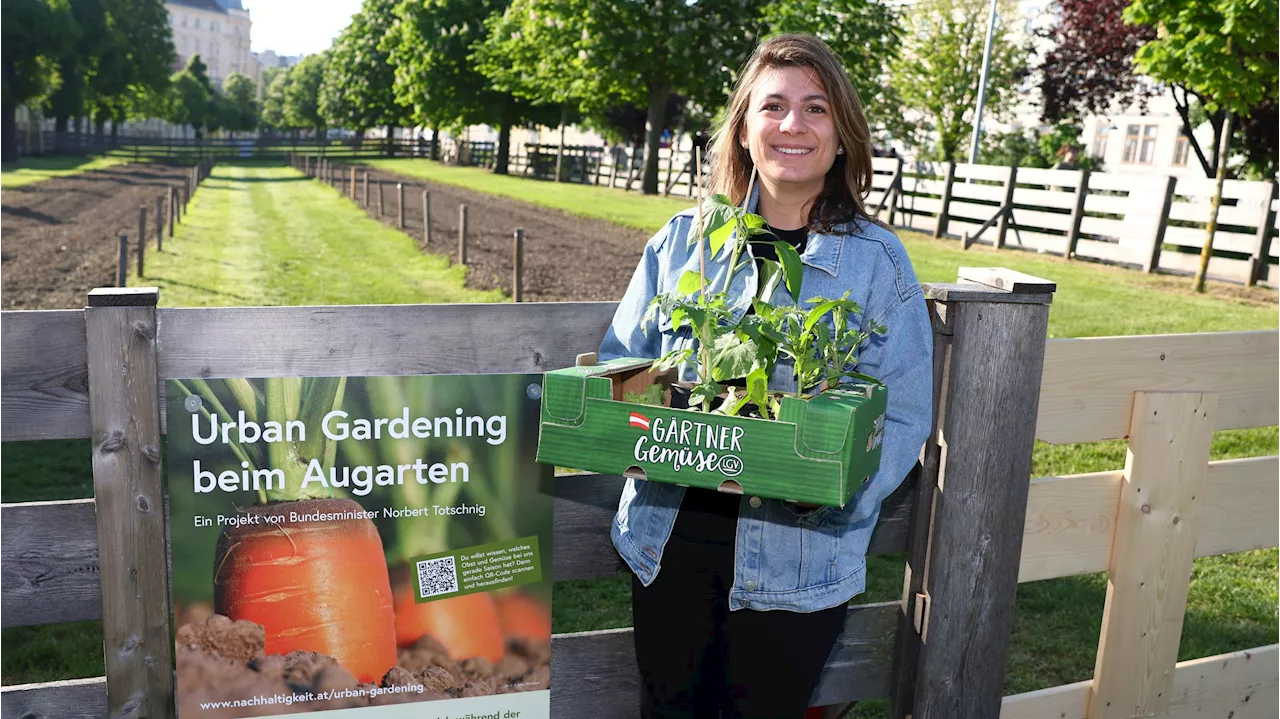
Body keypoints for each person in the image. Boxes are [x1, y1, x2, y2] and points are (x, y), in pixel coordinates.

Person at [597, 33, 934, 719]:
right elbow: (623, 365)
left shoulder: (877, 264)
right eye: (773, 106)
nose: (792, 125)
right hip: (672, 547)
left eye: (815, 108)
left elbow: (901, 417)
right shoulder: (685, 242)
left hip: (800, 560)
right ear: (744, 130)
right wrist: (636, 430)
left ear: (841, 136)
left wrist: (831, 485)